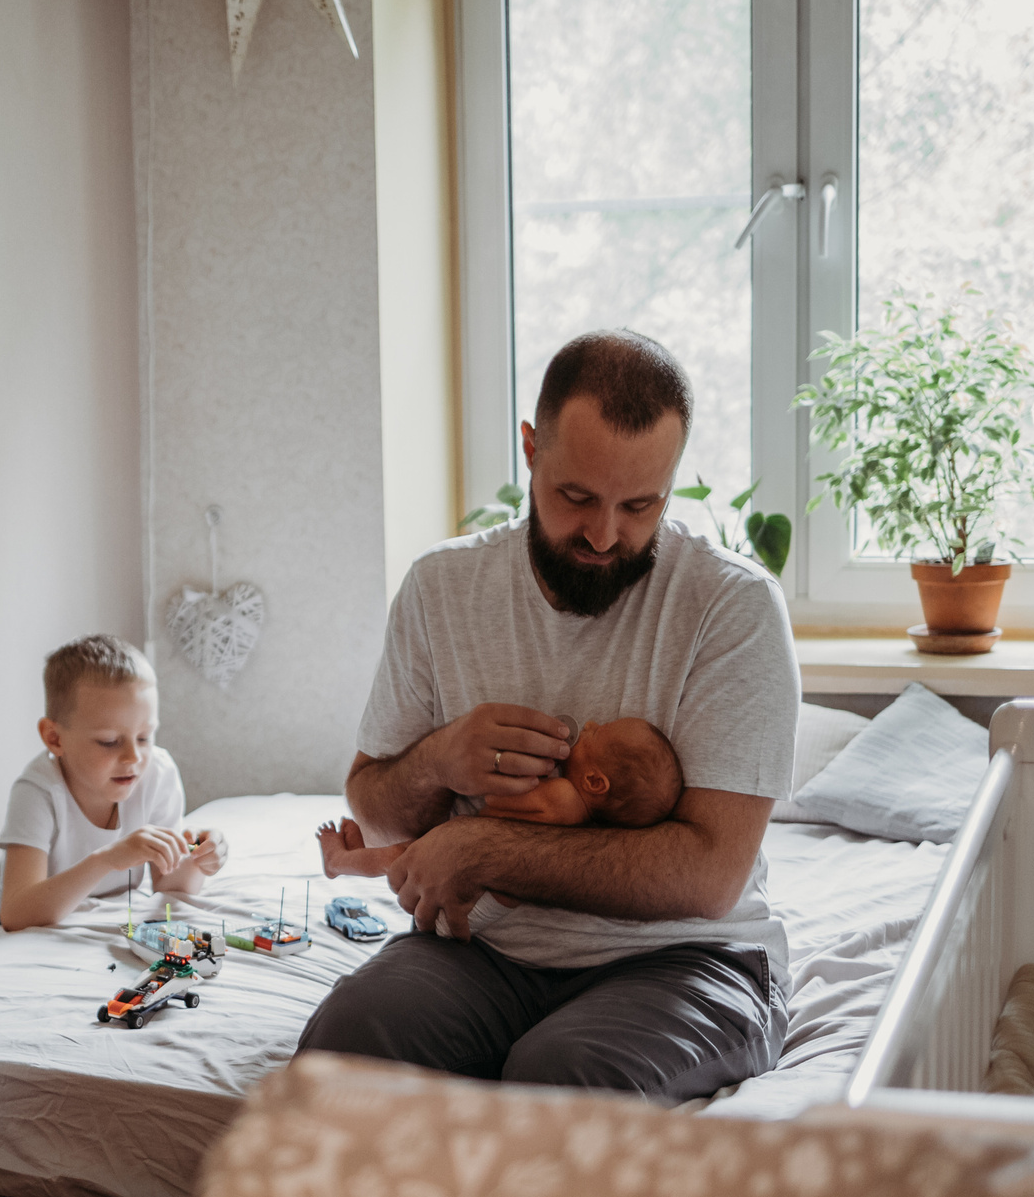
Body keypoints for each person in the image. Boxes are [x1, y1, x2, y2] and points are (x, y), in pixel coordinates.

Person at [296, 330, 797, 1104]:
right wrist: (438, 761)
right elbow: (374, 807)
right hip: (484, 951)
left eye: (641, 505)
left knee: (559, 1085)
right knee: (341, 1057)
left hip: (687, 956)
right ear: (530, 450)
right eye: (577, 497)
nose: (604, 535)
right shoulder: (441, 589)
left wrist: (483, 846)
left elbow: (708, 874)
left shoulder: (733, 608)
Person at [0, 635, 227, 948]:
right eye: (108, 741)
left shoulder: (157, 773)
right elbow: (16, 913)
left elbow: (170, 886)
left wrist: (200, 859)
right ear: (55, 738)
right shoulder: (39, 790)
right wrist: (107, 859)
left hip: (83, 914)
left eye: (145, 737)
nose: (133, 757)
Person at [315, 716, 683, 878]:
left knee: (397, 857)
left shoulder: (561, 797)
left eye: (596, 733)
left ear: (594, 782)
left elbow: (496, 805)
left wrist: (520, 769)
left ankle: (338, 862)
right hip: (478, 861)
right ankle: (358, 843)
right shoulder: (580, 816)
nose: (587, 726)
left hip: (465, 858)